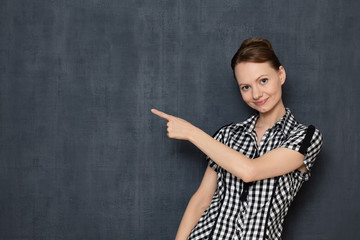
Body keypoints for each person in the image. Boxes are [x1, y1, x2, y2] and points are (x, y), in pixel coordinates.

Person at [151, 37, 323, 240]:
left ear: (281, 74)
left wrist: (191, 132)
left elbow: (250, 171)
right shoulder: (227, 135)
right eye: (245, 87)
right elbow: (202, 200)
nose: (257, 94)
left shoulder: (305, 137)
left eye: (263, 80)